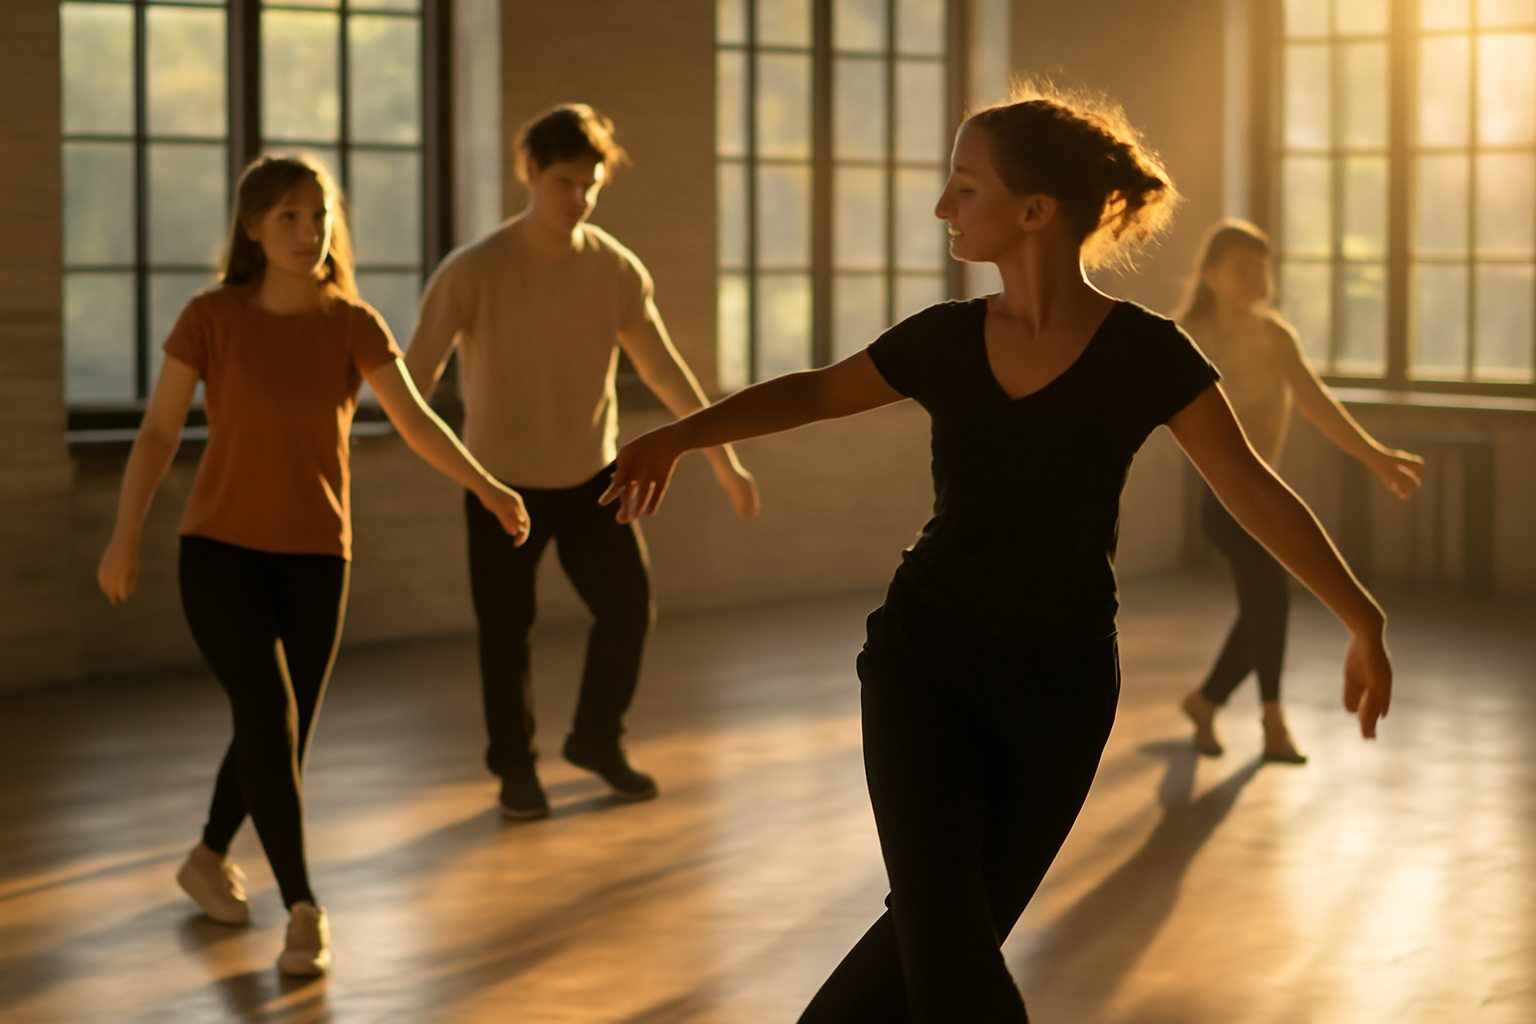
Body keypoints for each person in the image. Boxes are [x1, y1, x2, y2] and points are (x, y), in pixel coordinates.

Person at [600, 88, 1395, 1022]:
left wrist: (1363, 616)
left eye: (963, 186)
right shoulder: (944, 339)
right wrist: (677, 437)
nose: (943, 207)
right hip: (922, 667)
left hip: (1058, 692)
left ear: (1034, 211)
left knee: (943, 940)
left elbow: (1254, 489)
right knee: (943, 939)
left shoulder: (1148, 354)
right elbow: (815, 393)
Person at [96, 155, 529, 977]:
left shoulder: (353, 323)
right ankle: (303, 906)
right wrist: (124, 536)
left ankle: (207, 855)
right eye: (288, 216)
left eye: (318, 214)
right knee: (267, 711)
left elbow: (414, 421)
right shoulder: (209, 316)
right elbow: (156, 434)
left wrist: (488, 485)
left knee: (277, 731)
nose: (308, 231)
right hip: (218, 552)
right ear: (253, 227)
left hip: (317, 557)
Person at [404, 103, 759, 820]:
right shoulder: (472, 271)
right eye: (566, 181)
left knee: (629, 610)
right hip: (500, 484)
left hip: (594, 479)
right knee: (507, 634)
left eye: (590, 184)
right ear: (530, 173)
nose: (580, 198)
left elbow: (665, 371)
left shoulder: (615, 269)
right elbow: (409, 378)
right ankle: (515, 768)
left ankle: (596, 739)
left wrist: (724, 461)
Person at [1175, 219, 1423, 764]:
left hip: (1267, 500)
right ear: (1211, 275)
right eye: (1243, 269)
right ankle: (1268, 722)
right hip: (1220, 502)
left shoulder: (1275, 336)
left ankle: (1210, 703)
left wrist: (1377, 458)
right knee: (1269, 600)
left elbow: (1317, 406)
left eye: (1263, 270)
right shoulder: (1185, 335)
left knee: (1264, 604)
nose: (1256, 280)